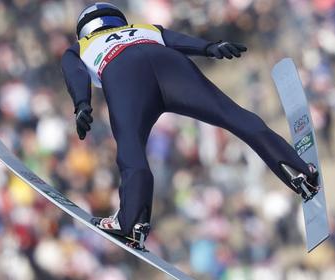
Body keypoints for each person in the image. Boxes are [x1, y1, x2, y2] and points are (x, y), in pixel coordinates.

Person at [60, 2, 318, 249]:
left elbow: (76, 73)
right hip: (170, 65)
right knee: (232, 115)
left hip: (124, 74)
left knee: (132, 152)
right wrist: (211, 47)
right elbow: (177, 40)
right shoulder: (144, 27)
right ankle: (298, 171)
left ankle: (132, 223)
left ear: (84, 28)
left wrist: (82, 104)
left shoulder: (80, 46)